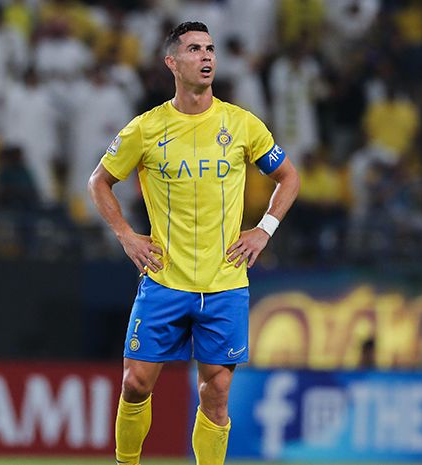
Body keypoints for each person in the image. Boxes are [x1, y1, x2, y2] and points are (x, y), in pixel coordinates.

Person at [87, 22, 299, 465]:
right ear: (172, 62)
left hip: (223, 282)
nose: (206, 57)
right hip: (165, 278)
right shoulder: (146, 129)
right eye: (195, 49)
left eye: (211, 49)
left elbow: (288, 176)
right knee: (135, 383)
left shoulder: (241, 124)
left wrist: (265, 229)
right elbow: (100, 182)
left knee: (216, 393)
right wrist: (127, 237)